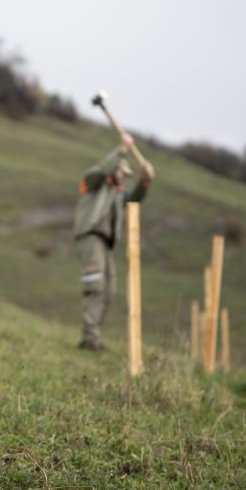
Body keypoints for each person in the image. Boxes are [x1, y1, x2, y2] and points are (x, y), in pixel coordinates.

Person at [73, 134, 154, 351]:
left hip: (105, 244)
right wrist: (121, 151)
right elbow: (102, 171)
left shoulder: (117, 195)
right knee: (96, 284)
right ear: (114, 168)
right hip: (90, 236)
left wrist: (145, 180)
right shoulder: (94, 182)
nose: (125, 177)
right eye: (122, 172)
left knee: (109, 289)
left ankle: (94, 336)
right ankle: (89, 337)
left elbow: (134, 198)